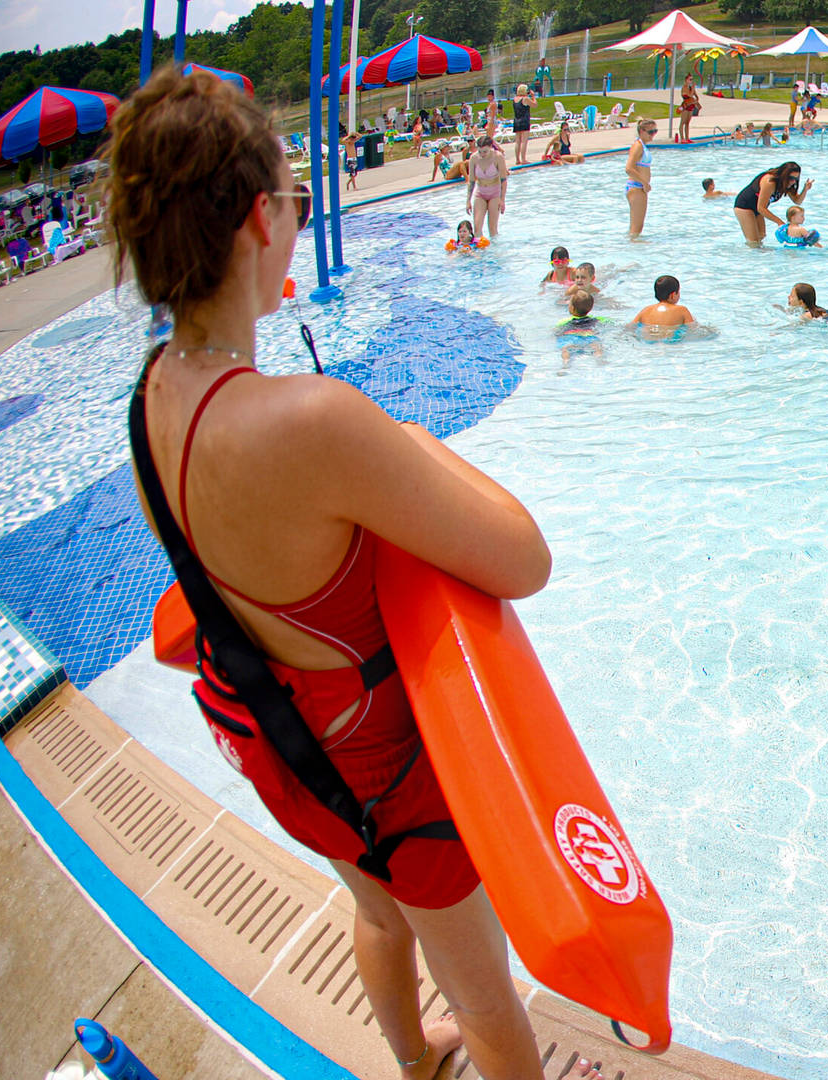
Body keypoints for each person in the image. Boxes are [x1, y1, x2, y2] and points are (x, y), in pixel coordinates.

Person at [106, 67, 569, 1080]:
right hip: (390, 778)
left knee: (372, 911)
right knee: (490, 1009)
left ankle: (407, 1058)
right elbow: (525, 559)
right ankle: (438, 1047)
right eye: (297, 197)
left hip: (291, 749)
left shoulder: (152, 403)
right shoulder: (309, 421)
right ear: (258, 219)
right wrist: (410, 440)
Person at [733, 161, 812, 246]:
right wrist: (780, 222)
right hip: (744, 206)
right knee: (753, 241)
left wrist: (805, 189)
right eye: (790, 178)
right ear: (784, 175)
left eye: (795, 179)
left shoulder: (787, 183)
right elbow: (761, 208)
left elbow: (797, 201)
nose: (793, 181)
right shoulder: (770, 182)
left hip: (758, 208)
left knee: (761, 235)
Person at [629, 275, 697, 336]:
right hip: (670, 343)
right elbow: (693, 330)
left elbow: (630, 327)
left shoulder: (646, 310)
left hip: (649, 343)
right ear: (672, 295)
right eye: (678, 292)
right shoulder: (682, 310)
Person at [468, 136, 507, 239]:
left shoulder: (498, 157)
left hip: (494, 193)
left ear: (490, 147)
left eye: (485, 151)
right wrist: (468, 200)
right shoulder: (474, 158)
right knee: (477, 228)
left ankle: (494, 253)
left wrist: (502, 200)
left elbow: (503, 180)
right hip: (480, 192)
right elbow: (471, 181)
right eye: (480, 151)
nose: (482, 155)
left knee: (492, 229)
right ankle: (480, 252)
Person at [624, 118, 655, 240]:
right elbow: (629, 168)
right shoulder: (637, 146)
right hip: (637, 187)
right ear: (642, 131)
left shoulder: (642, 146)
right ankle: (633, 251)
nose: (653, 135)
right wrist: (644, 182)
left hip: (639, 188)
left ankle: (633, 250)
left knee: (637, 228)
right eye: (651, 132)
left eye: (655, 131)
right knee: (636, 229)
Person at [557, 288, 602, 362]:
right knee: (596, 346)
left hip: (570, 336)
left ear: (571, 308)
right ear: (590, 308)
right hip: (589, 335)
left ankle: (566, 362)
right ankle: (599, 357)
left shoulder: (564, 322)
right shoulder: (597, 320)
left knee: (565, 349)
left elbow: (558, 332)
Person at [510, 84, 536, 165]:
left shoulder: (515, 99)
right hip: (524, 120)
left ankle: (517, 159)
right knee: (524, 141)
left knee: (518, 141)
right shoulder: (525, 99)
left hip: (517, 120)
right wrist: (533, 96)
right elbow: (535, 105)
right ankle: (523, 159)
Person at [678, 74, 699, 143]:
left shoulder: (691, 87)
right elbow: (689, 95)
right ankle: (682, 138)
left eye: (692, 79)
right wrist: (693, 89)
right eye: (690, 79)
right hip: (685, 106)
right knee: (682, 122)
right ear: (686, 80)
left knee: (687, 123)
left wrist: (696, 101)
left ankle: (687, 137)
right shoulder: (684, 87)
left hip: (691, 106)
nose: (691, 81)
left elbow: (695, 95)